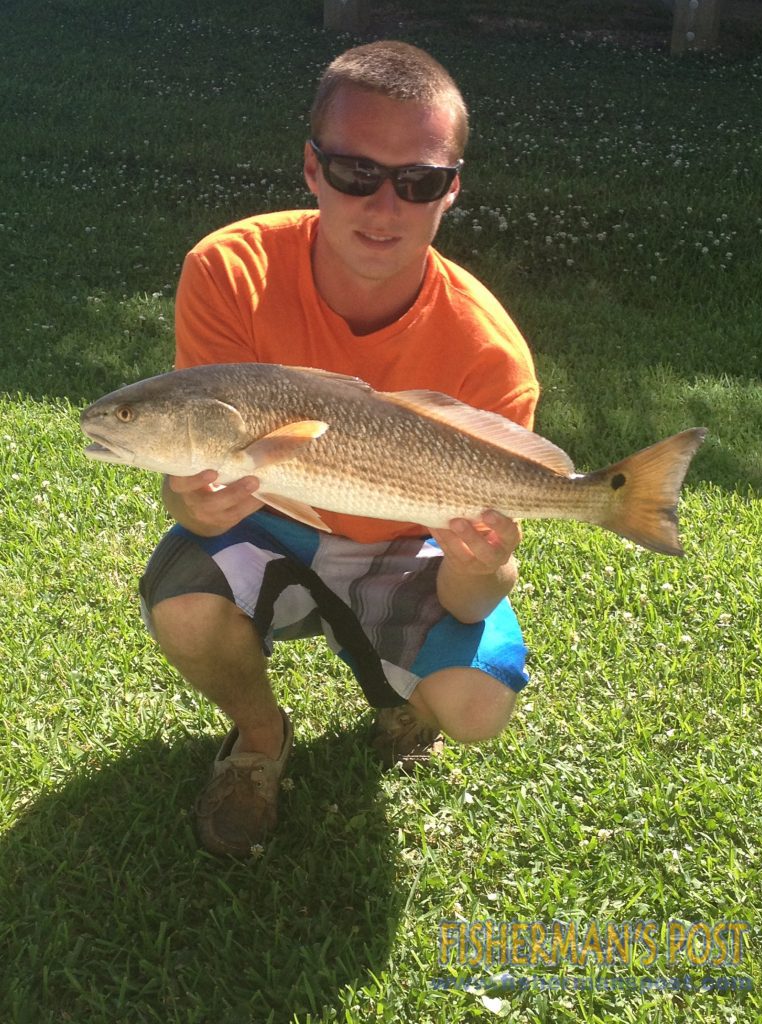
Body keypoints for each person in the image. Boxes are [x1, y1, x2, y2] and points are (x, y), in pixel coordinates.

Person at [140, 40, 540, 857]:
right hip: (271, 525)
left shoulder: (490, 355)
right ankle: (258, 739)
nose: (384, 206)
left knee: (474, 706)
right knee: (182, 605)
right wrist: (186, 499)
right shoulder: (229, 271)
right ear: (314, 169)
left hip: (405, 544)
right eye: (358, 172)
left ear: (451, 190)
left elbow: (476, 592)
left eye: (418, 181)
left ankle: (405, 701)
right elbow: (197, 457)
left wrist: (478, 564)